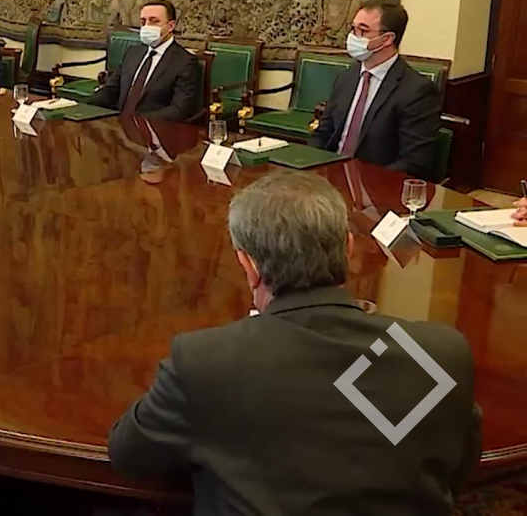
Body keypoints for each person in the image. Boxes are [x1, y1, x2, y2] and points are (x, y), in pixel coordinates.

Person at [108, 171, 481, 516]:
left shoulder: (206, 363)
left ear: (249, 267)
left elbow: (129, 453)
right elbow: (458, 469)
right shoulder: (439, 354)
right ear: (349, 248)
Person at [310, 0, 440, 180]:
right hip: (330, 178)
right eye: (353, 29)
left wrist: (362, 182)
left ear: (387, 39)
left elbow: (415, 162)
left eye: (362, 31)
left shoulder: (417, 91)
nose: (353, 37)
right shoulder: (346, 77)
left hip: (375, 184)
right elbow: (323, 133)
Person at [88, 0, 200, 121]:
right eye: (143, 22)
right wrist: (81, 107)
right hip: (120, 126)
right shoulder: (133, 53)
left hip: (153, 128)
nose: (147, 26)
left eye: (154, 21)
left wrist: (136, 122)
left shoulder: (185, 62)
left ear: (171, 26)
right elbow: (111, 90)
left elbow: (179, 110)